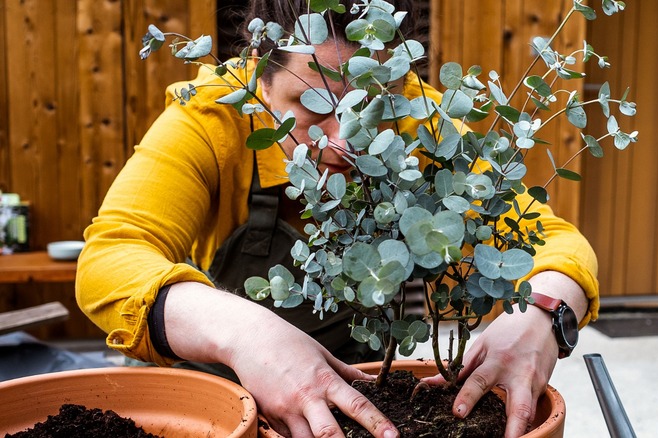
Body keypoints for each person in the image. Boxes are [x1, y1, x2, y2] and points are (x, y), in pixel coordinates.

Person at [76, 1, 599, 437]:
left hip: (357, 393)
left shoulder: (424, 121)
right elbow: (112, 257)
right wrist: (247, 333)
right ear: (258, 72)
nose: (344, 141)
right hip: (210, 401)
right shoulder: (214, 115)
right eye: (311, 104)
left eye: (370, 104)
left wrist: (543, 313)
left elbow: (551, 239)